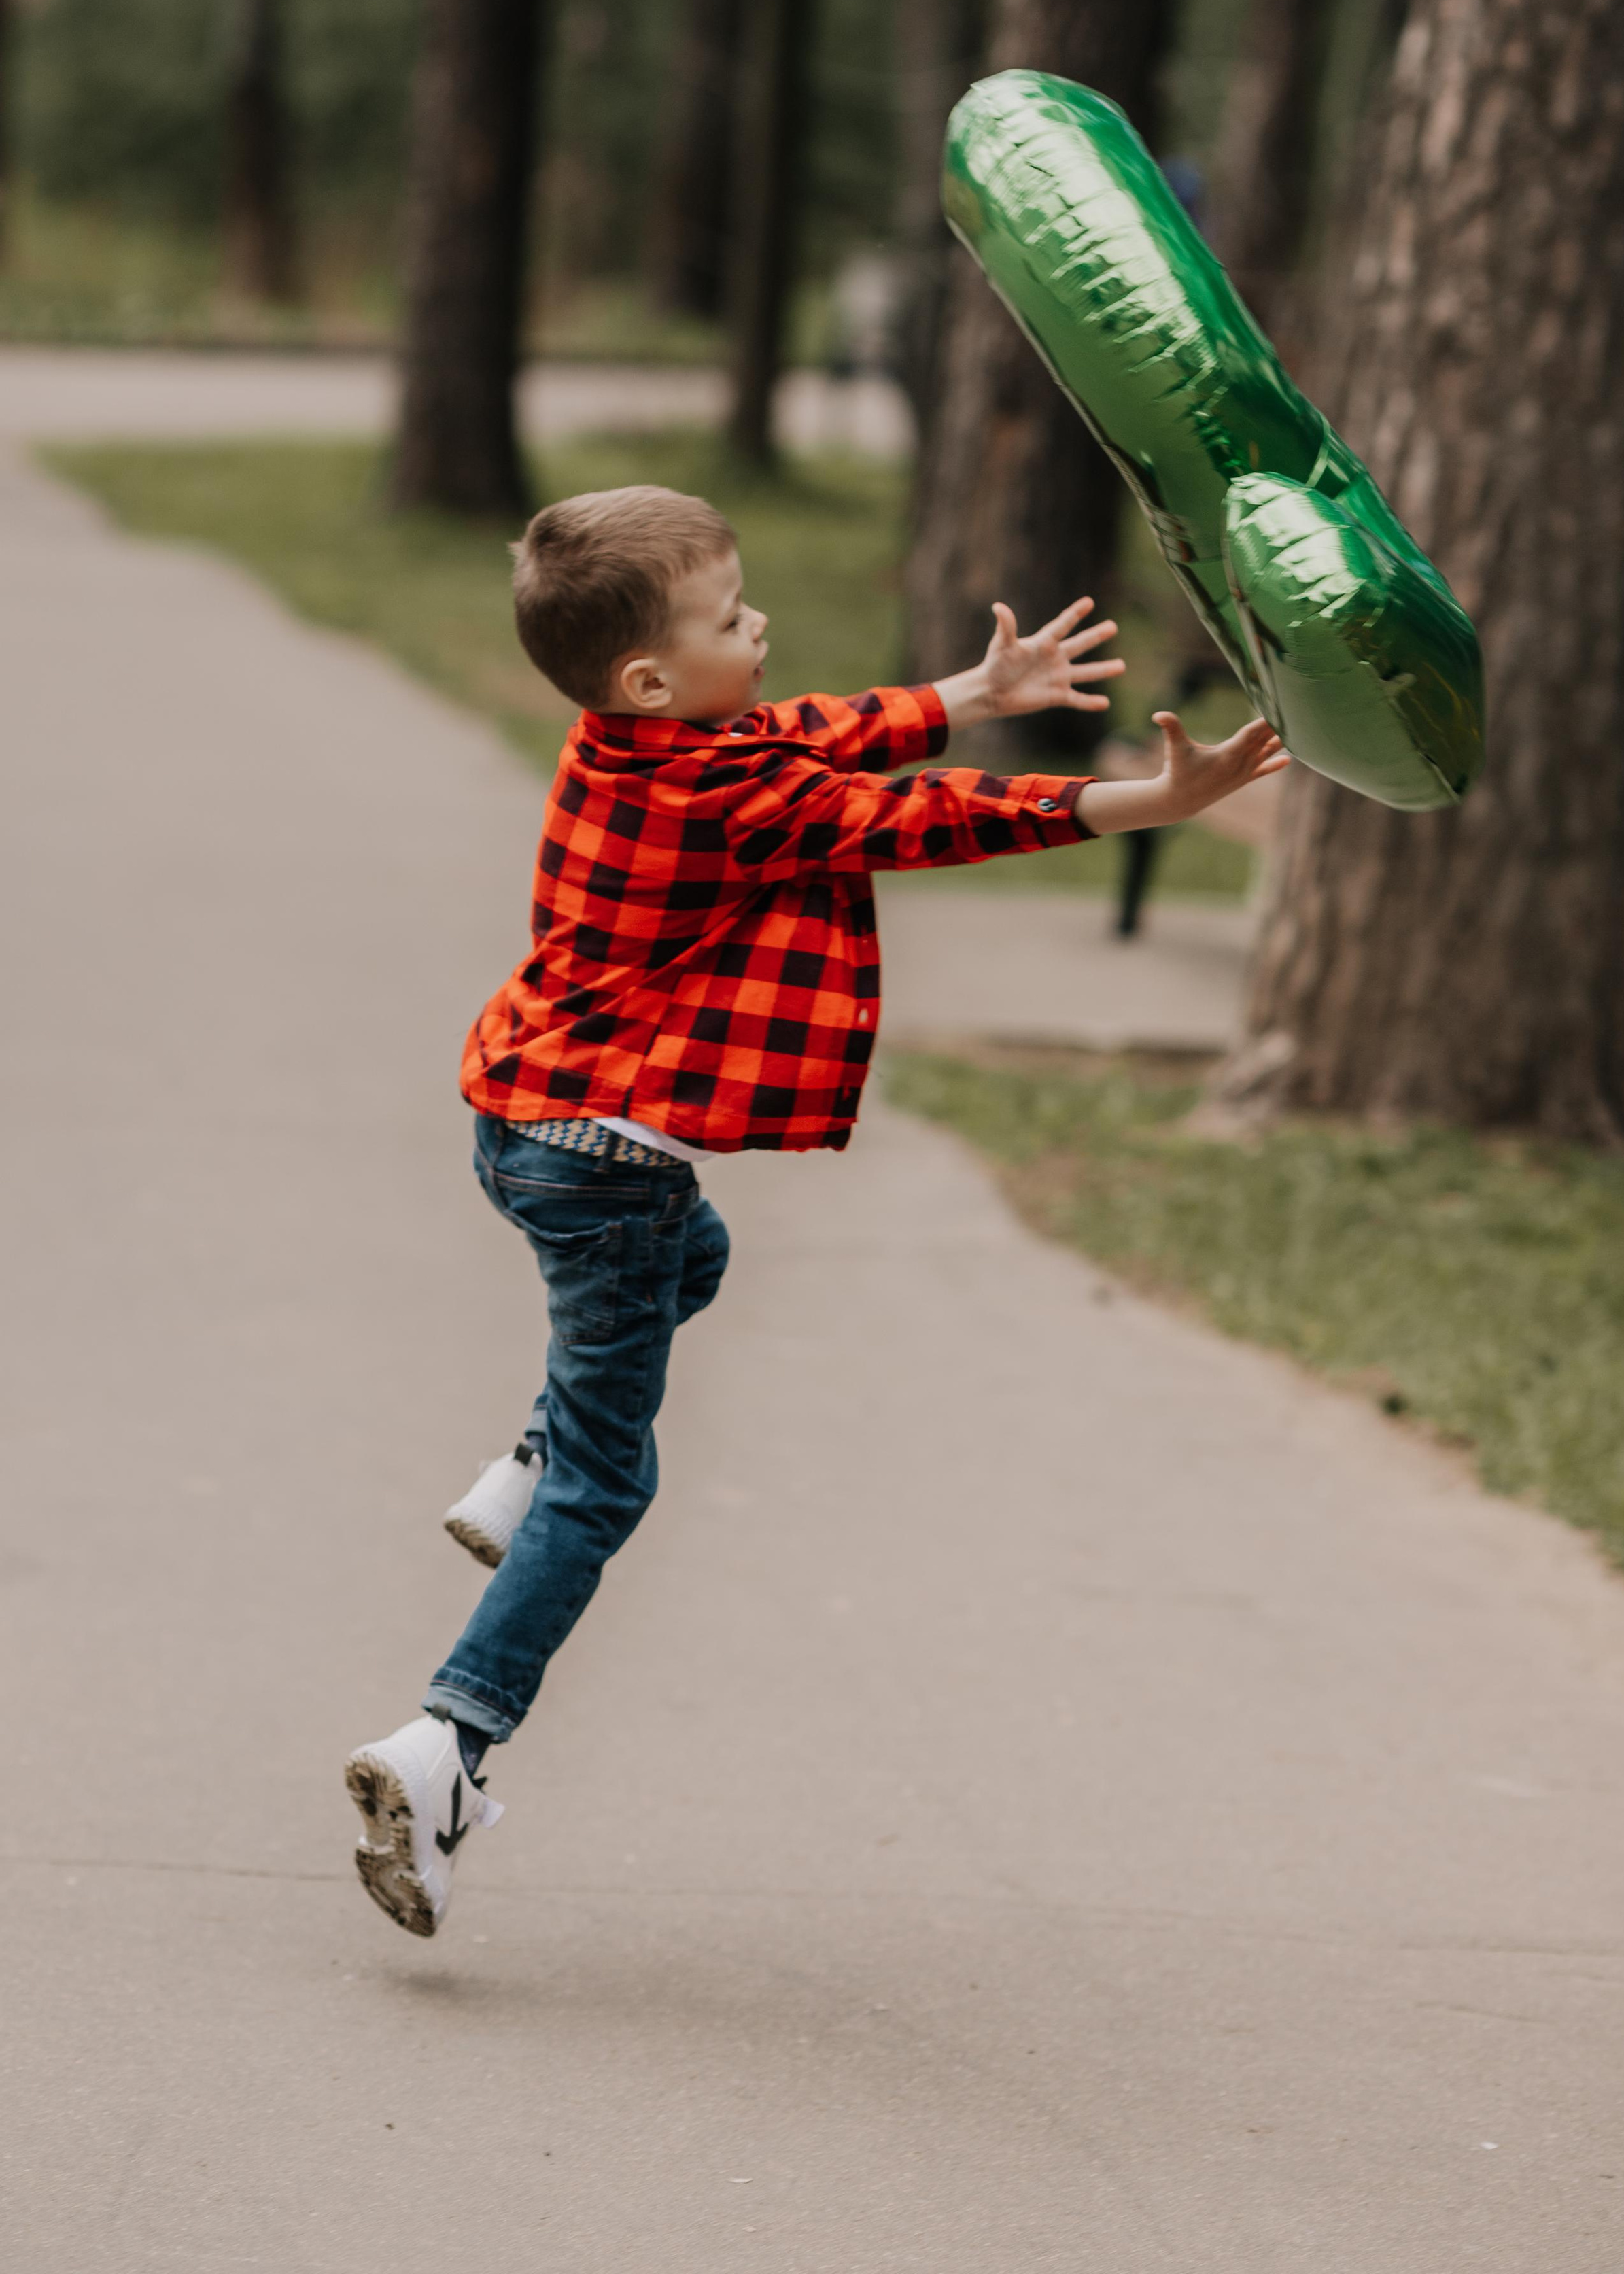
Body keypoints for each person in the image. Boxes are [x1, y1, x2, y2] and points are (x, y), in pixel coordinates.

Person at [345, 485, 1286, 1935]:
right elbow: (902, 820)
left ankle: (527, 1458)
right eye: (731, 616)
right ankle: (448, 1746)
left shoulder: (636, 742)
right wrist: (1147, 802)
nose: (760, 622)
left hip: (522, 1120)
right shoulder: (722, 791)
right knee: (614, 1479)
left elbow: (815, 737)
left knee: (690, 1269)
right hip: (604, 1164)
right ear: (653, 675)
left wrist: (971, 690)